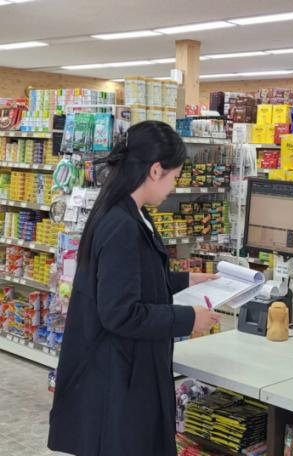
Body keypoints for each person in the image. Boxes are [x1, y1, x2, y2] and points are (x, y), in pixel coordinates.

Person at [48, 121, 221, 456]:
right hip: (117, 380)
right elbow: (120, 313)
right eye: (174, 177)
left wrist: (185, 280)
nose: (174, 186)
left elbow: (134, 278)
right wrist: (189, 319)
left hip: (125, 371)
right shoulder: (121, 225)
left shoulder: (132, 214)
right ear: (155, 171)